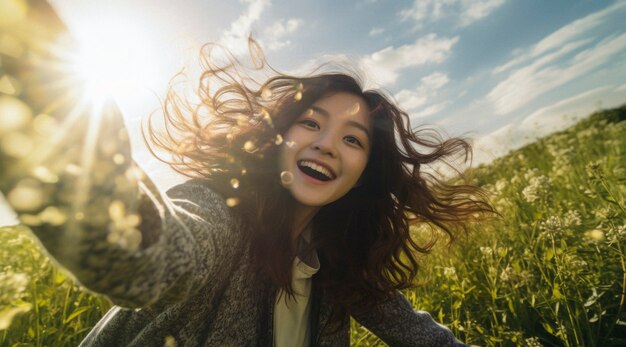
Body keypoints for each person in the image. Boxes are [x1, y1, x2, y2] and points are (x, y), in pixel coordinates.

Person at [1, 7, 494, 343]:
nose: (325, 143)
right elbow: (146, 261)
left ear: (365, 173)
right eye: (311, 123)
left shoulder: (338, 259)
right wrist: (31, 76)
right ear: (278, 138)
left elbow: (423, 337)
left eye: (352, 139)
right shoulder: (219, 211)